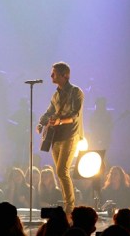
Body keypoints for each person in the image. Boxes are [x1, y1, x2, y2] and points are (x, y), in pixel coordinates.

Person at [36, 61, 84, 214]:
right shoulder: (56, 95)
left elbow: (75, 115)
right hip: (55, 137)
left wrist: (60, 120)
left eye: (54, 73)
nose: (51, 75)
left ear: (65, 75)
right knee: (59, 172)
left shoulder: (76, 92)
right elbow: (49, 111)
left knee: (62, 171)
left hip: (70, 135)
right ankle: (66, 204)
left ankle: (70, 207)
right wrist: (41, 123)